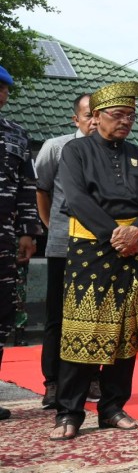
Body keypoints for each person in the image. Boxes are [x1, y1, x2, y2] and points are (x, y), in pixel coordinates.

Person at [51, 81, 138, 440]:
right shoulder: (75, 151)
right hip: (91, 250)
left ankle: (112, 408)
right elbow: (77, 198)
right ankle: (69, 412)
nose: (125, 121)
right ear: (96, 117)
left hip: (133, 250)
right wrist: (114, 234)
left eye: (131, 115)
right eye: (118, 114)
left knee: (125, 335)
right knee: (83, 331)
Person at [35, 93, 98, 409]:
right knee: (57, 317)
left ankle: (93, 377)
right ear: (75, 118)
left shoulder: (109, 151)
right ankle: (53, 382)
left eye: (98, 114)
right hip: (63, 245)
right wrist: (51, 228)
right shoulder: (56, 148)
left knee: (96, 314)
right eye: (88, 114)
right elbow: (42, 190)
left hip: (99, 248)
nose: (94, 120)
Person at [0, 65, 41, 422]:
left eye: (3, 89)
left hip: (4, 240)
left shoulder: (17, 135)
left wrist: (28, 232)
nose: (0, 93)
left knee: (0, 315)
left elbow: (28, 187)